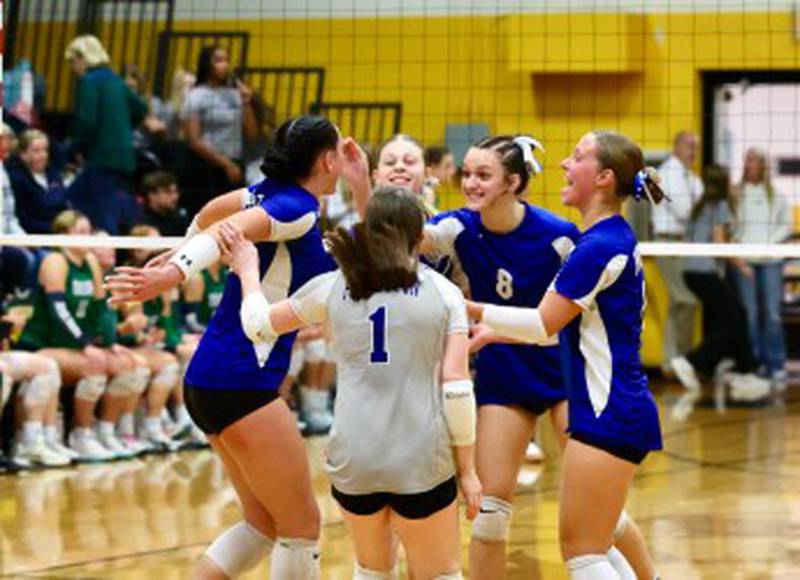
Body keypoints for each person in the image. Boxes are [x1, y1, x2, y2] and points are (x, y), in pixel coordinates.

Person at [106, 115, 370, 579]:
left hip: (211, 378)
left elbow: (211, 214)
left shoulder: (266, 194)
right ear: (328, 159)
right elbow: (227, 231)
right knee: (302, 526)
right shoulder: (297, 207)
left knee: (263, 524)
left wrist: (181, 249)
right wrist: (173, 271)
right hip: (243, 380)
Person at [221, 187, 482, 579]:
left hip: (354, 461)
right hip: (420, 460)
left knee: (372, 571)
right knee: (440, 574)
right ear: (419, 235)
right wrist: (469, 471)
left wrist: (247, 271)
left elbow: (257, 327)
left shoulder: (332, 285)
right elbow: (457, 386)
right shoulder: (445, 294)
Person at [467, 131, 664, 579]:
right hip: (617, 406)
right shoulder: (608, 238)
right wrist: (493, 334)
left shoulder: (596, 247)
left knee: (583, 553)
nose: (563, 164)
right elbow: (555, 331)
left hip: (606, 408)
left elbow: (542, 323)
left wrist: (470, 309)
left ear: (603, 177)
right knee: (595, 544)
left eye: (577, 157)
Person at [17, 210, 149, 461]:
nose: (88, 237)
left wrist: (111, 343)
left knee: (128, 365)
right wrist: (86, 343)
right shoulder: (55, 261)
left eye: (88, 231)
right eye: (80, 232)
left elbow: (102, 309)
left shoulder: (89, 262)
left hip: (74, 346)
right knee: (94, 365)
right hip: (43, 343)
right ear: (62, 236)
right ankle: (81, 435)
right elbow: (58, 310)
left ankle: (107, 432)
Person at [670, 165, 770, 403]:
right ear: (724, 182)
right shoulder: (722, 205)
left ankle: (740, 370)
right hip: (704, 271)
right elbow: (718, 243)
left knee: (730, 319)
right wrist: (742, 265)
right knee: (735, 316)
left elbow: (698, 237)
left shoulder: (701, 206)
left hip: (690, 270)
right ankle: (691, 361)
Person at [64, 35, 149, 235]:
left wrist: (72, 150)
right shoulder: (116, 80)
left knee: (103, 213)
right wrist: (123, 128)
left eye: (72, 61)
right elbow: (141, 108)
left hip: (101, 156)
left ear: (82, 57)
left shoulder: (89, 81)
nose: (72, 68)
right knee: (75, 196)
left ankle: (107, 256)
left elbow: (87, 122)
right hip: (123, 156)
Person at [732, 147, 792, 388]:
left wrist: (767, 244)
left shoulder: (775, 195)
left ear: (763, 165)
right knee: (750, 314)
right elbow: (731, 226)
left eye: (754, 161)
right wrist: (741, 246)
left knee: (772, 313)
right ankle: (753, 363)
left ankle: (776, 364)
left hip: (771, 260)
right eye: (747, 161)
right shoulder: (736, 194)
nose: (750, 165)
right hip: (745, 260)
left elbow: (785, 226)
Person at [181, 45, 258, 216]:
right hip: (205, 168)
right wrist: (226, 164)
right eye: (218, 60)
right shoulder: (196, 96)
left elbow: (251, 134)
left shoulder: (235, 94)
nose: (224, 65)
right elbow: (194, 141)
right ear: (207, 64)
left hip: (234, 166)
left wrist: (246, 102)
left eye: (226, 60)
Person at [653, 131, 703, 374]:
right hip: (667, 242)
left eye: (697, 147)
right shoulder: (666, 174)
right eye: (689, 145)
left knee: (683, 302)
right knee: (685, 299)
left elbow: (702, 211)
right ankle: (675, 360)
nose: (694, 151)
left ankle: (678, 361)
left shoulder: (692, 178)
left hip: (688, 244)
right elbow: (685, 212)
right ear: (677, 146)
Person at [8, 129, 69, 234]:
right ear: (23, 155)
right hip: (37, 237)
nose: (43, 155)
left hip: (62, 232)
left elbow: (64, 206)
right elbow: (24, 220)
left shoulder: (53, 175)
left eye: (45, 150)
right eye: (36, 151)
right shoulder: (17, 180)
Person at [140, 171, 191, 238]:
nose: (175, 196)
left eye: (176, 191)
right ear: (152, 195)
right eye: (168, 192)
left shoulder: (180, 217)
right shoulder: (141, 220)